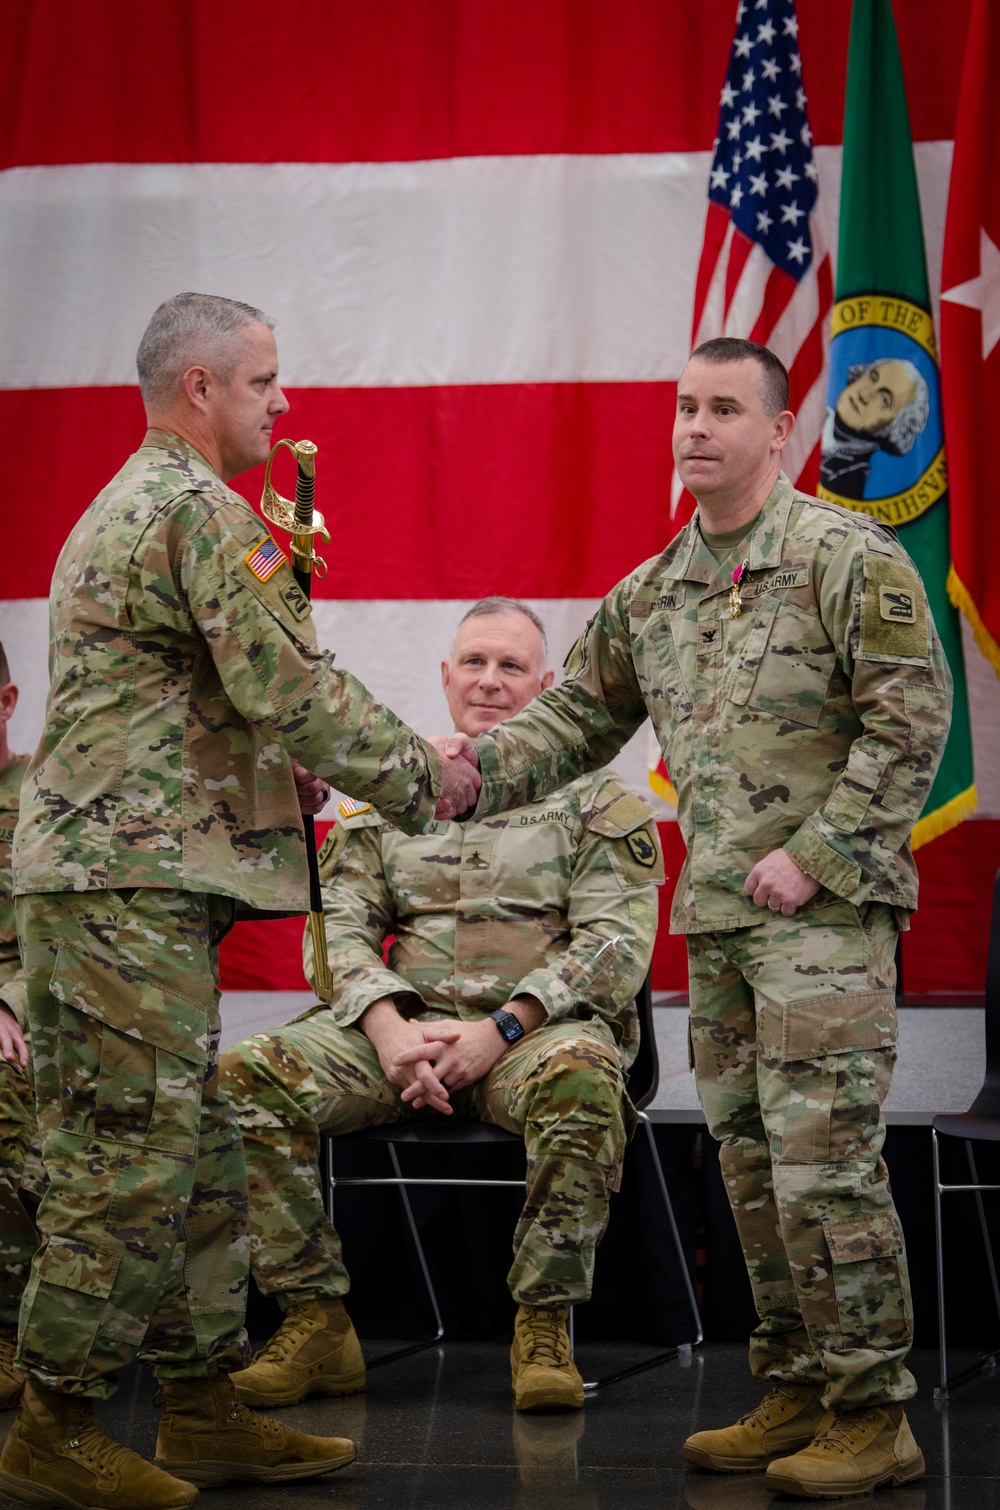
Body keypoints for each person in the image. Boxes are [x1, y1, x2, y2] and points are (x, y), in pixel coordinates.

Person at [433, 339, 952, 1499]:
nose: (696, 427)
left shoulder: (841, 556)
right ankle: (796, 1387)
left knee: (826, 1168)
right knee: (752, 1169)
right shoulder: (655, 589)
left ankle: (874, 1411)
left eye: (724, 408)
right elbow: (570, 725)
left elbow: (913, 720)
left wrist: (816, 856)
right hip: (719, 921)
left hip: (823, 918)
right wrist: (465, 772)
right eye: (683, 407)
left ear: (778, 431)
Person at [2, 292, 479, 1510]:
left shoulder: (135, 502)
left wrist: (283, 767)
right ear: (201, 389)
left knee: (200, 1148)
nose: (286, 403)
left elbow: (195, 704)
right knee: (126, 1160)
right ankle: (54, 1425)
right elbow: (295, 688)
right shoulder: (196, 509)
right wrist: (432, 777)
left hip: (130, 883)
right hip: (123, 890)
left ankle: (204, 1406)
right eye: (266, 382)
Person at [220, 597, 662, 1414]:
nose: (489, 682)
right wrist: (390, 1032)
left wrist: (499, 1031)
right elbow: (335, 932)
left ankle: (543, 1325)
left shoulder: (601, 802)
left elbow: (614, 947)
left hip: (534, 1040)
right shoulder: (387, 796)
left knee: (583, 1081)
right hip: (401, 1038)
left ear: (548, 685)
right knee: (244, 1077)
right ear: (445, 675)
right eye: (474, 662)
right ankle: (315, 1321)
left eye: (512, 666)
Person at [0, 644, 35, 1411]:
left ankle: (7, 1337)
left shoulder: (51, 797)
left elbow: (96, 933)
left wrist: (11, 999)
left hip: (35, 1013)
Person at [820, 357, 930, 500]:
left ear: (896, 428)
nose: (864, 394)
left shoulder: (849, 479)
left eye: (884, 399)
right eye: (872, 378)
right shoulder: (806, 422)